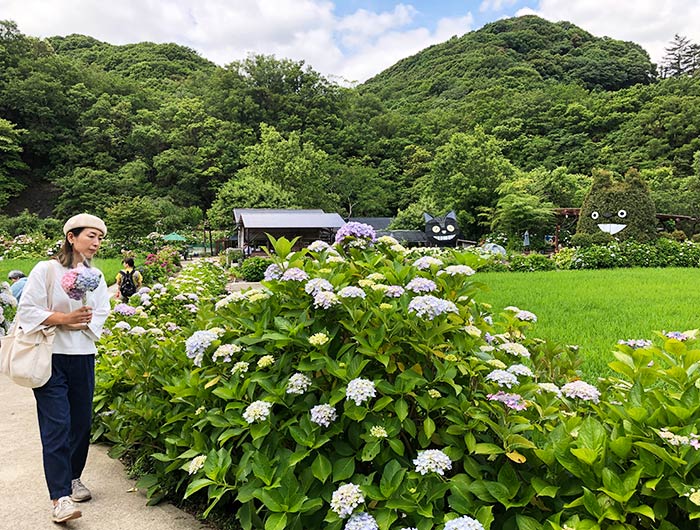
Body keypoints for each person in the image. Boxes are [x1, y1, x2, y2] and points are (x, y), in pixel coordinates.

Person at [16, 213, 110, 523]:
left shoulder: (96, 276)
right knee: (57, 425)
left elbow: (102, 311)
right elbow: (27, 310)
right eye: (90, 236)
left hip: (83, 354)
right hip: (50, 355)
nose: (96, 243)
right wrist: (63, 319)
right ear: (71, 237)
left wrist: (84, 321)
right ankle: (60, 498)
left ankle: (73, 476)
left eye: (99, 237)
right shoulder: (46, 269)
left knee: (82, 422)